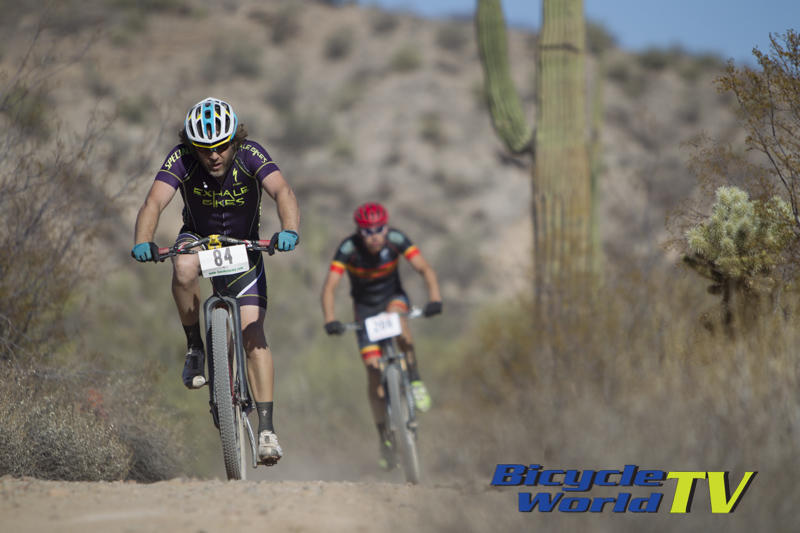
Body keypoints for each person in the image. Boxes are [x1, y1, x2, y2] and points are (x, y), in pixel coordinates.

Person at [131, 97, 299, 466]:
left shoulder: (252, 153)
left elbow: (282, 191)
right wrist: (143, 240)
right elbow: (154, 202)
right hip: (198, 239)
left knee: (253, 336)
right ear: (192, 146)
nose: (214, 156)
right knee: (182, 268)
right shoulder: (181, 159)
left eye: (221, 146)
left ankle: (267, 428)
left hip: (244, 249)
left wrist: (290, 229)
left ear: (236, 139)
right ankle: (195, 348)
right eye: (204, 149)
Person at [320, 202, 442, 469]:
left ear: (386, 227)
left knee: (398, 321)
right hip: (365, 311)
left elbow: (425, 269)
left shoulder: (397, 240)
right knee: (374, 373)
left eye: (379, 230)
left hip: (393, 298)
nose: (374, 236)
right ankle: (384, 437)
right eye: (367, 231)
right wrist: (330, 320)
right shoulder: (348, 249)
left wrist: (434, 299)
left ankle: (415, 380)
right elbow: (330, 287)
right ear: (359, 232)